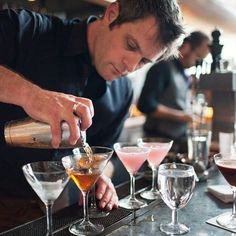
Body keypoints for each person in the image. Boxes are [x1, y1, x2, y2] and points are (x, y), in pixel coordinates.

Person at [0, 0, 184, 231]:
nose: (131, 65)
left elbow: (101, 152)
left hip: (50, 212)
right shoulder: (27, 30)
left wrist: (99, 176)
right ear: (111, 13)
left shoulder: (122, 93)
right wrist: (32, 96)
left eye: (144, 61)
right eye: (131, 45)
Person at [137, 31, 210, 153]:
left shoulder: (184, 74)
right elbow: (146, 105)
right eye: (198, 57)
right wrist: (183, 117)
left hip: (177, 140)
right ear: (186, 47)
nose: (197, 64)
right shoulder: (162, 68)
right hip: (157, 142)